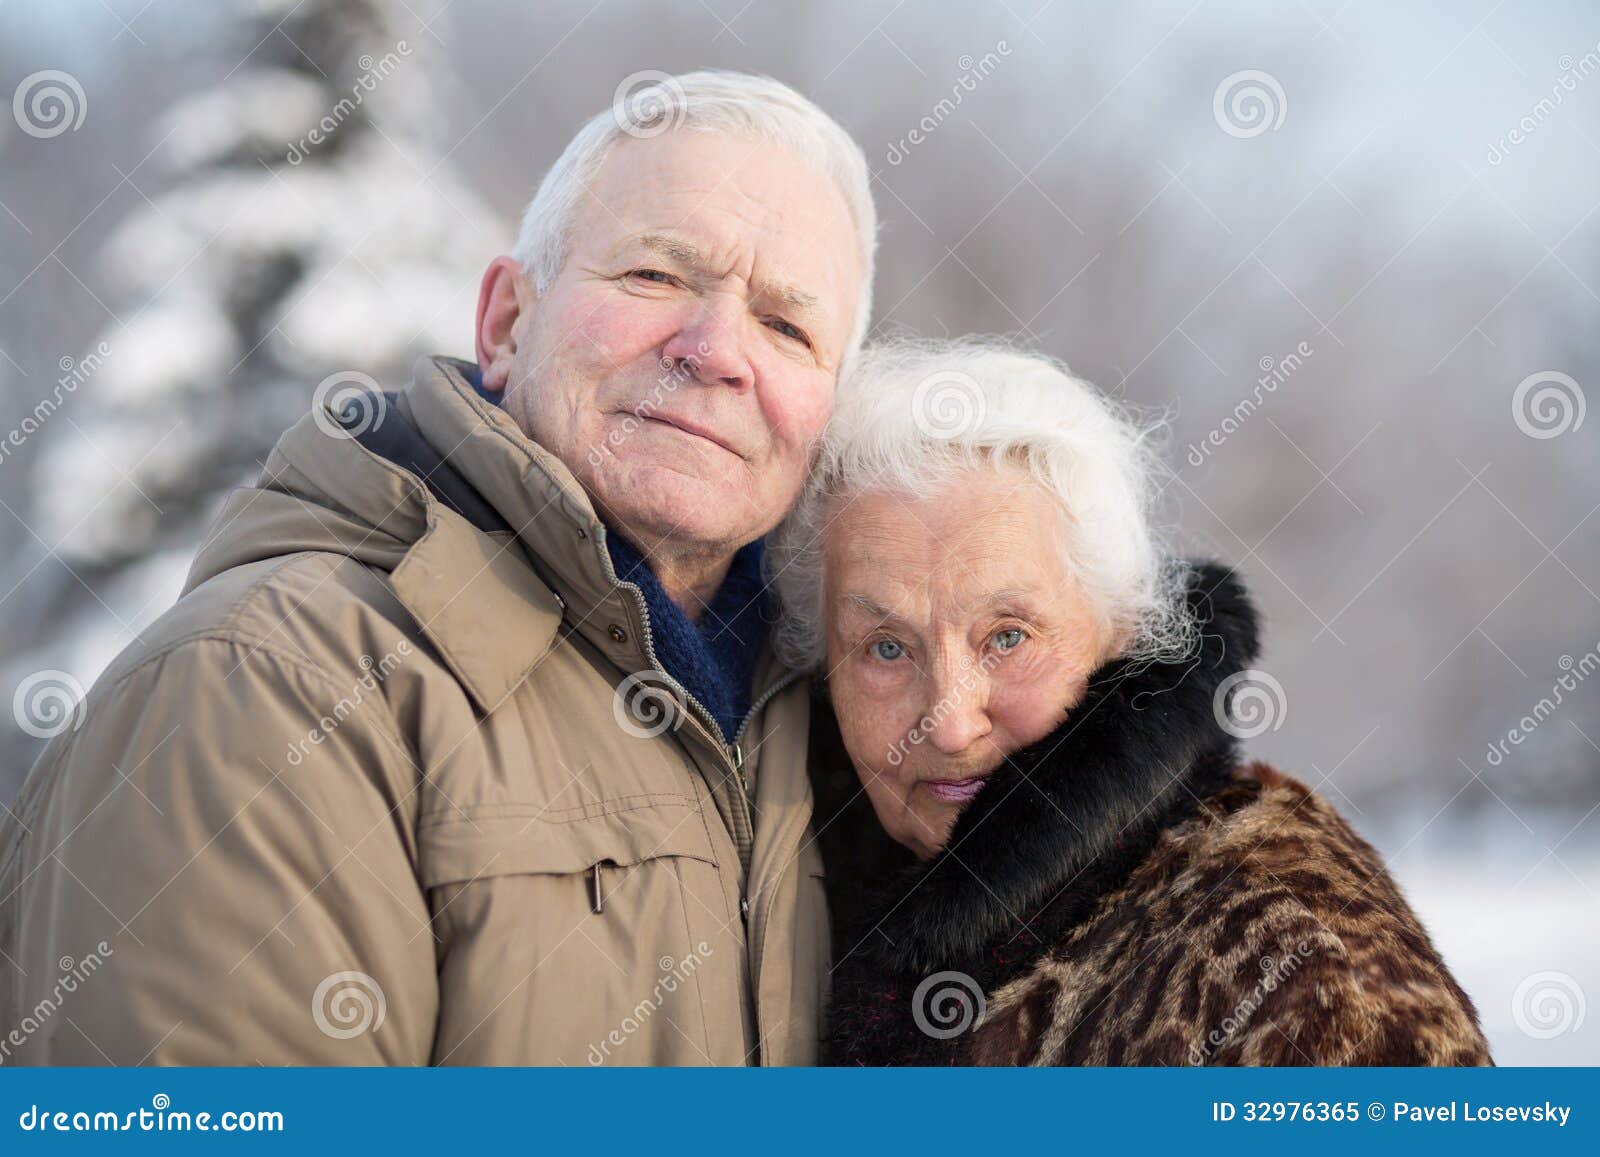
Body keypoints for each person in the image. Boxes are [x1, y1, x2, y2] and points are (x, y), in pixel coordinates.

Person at [0, 70, 875, 1066]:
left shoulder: (847, 726)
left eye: (786, 326)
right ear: (505, 321)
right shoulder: (265, 691)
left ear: (828, 409)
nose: (715, 349)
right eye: (655, 276)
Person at [771, 337, 1492, 1065]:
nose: (951, 722)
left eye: (1008, 637)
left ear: (1121, 630)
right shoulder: (791, 904)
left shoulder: (1301, 978)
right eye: (887, 647)